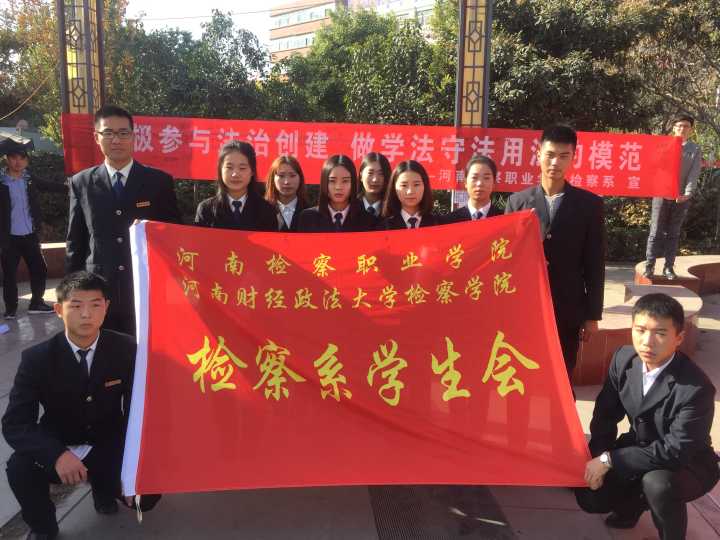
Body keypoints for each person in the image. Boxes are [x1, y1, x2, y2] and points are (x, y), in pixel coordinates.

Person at [2, 272, 161, 540]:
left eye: (95, 304)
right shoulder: (36, 359)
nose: (86, 314)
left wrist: (135, 460)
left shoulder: (127, 349)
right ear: (58, 310)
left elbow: (140, 409)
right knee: (20, 468)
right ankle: (43, 527)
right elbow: (16, 424)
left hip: (108, 442)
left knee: (146, 497)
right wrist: (56, 454)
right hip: (59, 439)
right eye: (76, 305)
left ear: (106, 307)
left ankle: (103, 489)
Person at [575, 293, 718, 540]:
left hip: (688, 463)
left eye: (660, 333)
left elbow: (676, 450)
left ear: (679, 338)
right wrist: (598, 456)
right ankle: (630, 508)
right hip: (641, 446)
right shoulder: (624, 359)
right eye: (640, 330)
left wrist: (610, 460)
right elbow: (604, 416)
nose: (647, 342)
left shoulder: (696, 387)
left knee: (657, 484)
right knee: (590, 496)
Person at [66, 105, 181, 336]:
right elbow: (75, 243)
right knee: (103, 351)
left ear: (134, 137)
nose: (116, 140)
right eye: (108, 133)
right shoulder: (81, 183)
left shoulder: (158, 182)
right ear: (96, 137)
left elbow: (174, 237)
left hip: (145, 288)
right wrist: (71, 293)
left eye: (123, 133)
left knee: (143, 348)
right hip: (98, 291)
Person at [505, 125, 605, 377]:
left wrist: (592, 315)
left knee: (562, 373)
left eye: (563, 156)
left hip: (568, 306)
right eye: (549, 154)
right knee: (524, 373)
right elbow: (506, 259)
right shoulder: (517, 202)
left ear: (573, 158)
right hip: (525, 305)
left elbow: (594, 263)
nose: (555, 162)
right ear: (538, 154)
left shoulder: (589, 205)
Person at [1, 143, 67, 319]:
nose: (18, 162)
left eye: (22, 158)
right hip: (9, 238)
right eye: (14, 158)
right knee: (9, 274)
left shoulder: (29, 179)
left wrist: (72, 186)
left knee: (39, 269)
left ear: (26, 161)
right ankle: (11, 309)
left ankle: (36, 303)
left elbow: (49, 186)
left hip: (30, 235)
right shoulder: (1, 182)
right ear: (7, 159)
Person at [643, 114, 702, 280]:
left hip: (680, 197)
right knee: (655, 232)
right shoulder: (662, 145)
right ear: (674, 128)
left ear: (691, 130)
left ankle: (668, 268)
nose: (682, 129)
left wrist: (687, 193)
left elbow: (693, 173)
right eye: (679, 126)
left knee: (673, 233)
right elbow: (652, 166)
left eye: (686, 126)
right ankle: (649, 266)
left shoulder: (694, 149)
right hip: (661, 195)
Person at [195, 140, 277, 232]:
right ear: (220, 170)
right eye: (229, 167)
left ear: (252, 171)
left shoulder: (267, 210)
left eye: (242, 168)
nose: (235, 174)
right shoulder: (206, 209)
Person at [297, 154, 376, 232]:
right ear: (324, 182)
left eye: (345, 181)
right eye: (332, 181)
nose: (338, 187)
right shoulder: (308, 218)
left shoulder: (368, 221)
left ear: (353, 183)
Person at [379, 160, 438, 230]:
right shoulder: (383, 228)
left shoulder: (439, 224)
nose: (410, 191)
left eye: (416, 184)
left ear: (425, 186)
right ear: (394, 188)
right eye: (404, 185)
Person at [444, 155, 503, 223]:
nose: (479, 183)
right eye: (474, 177)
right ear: (465, 182)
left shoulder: (503, 219)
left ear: (494, 183)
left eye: (486, 178)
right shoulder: (450, 221)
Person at [264, 154, 308, 231]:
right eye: (281, 176)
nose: (287, 182)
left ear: (300, 178)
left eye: (292, 176)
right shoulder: (262, 210)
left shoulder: (310, 212)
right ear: (272, 178)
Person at [358, 152, 391, 218]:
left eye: (381, 174)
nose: (375, 179)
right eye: (370, 173)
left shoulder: (392, 210)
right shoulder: (349, 207)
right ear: (361, 175)